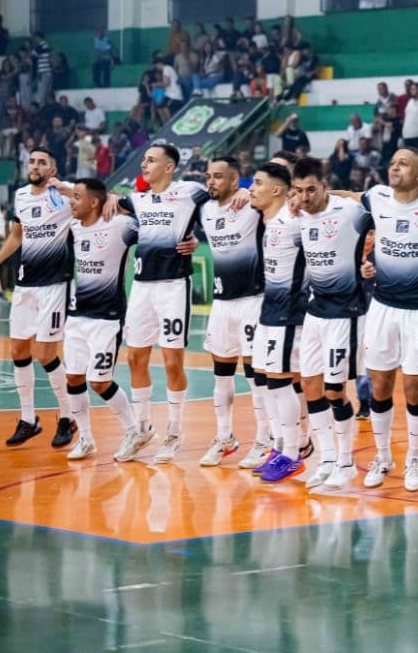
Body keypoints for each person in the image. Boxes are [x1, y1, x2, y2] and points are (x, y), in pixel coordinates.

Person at [105, 144, 213, 463]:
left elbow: (222, 198)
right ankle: (141, 428)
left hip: (173, 288)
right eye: (143, 159)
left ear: (169, 167)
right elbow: (104, 200)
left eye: (151, 159)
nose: (144, 163)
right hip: (141, 288)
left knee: (171, 362)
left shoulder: (189, 191)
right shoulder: (136, 198)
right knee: (136, 358)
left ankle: (175, 432)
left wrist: (197, 236)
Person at [354, 149, 418, 492]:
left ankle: (414, 456)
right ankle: (382, 457)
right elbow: (341, 197)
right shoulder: (377, 197)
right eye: (392, 162)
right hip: (381, 308)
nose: (394, 167)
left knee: (414, 390)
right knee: (379, 386)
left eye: (403, 163)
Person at [0, 148, 76, 447]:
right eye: (32, 161)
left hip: (55, 284)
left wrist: (67, 188)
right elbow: (17, 234)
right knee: (18, 350)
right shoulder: (22, 195)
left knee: (46, 353)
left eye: (42, 163)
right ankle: (28, 419)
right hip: (26, 285)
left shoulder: (66, 195)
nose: (35, 166)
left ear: (53, 168)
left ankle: (68, 416)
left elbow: (100, 202)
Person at [292, 157, 372, 490]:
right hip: (315, 312)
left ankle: (346, 461)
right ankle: (326, 459)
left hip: (346, 311)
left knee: (334, 390)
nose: (305, 197)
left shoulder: (348, 211)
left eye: (312, 189)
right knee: (309, 384)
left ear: (325, 186)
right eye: (299, 191)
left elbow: (379, 202)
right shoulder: (300, 217)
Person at [60, 179, 143, 461]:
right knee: (73, 377)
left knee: (99, 381)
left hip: (107, 318)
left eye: (77, 197)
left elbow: (157, 226)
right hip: (76, 317)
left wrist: (117, 199)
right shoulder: (72, 227)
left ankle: (135, 431)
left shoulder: (119, 226)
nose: (71, 202)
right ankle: (85, 438)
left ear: (94, 202)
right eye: (72, 196)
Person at [198, 157, 269, 468]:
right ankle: (225, 437)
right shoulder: (204, 209)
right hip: (222, 302)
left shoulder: (253, 206)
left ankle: (265, 441)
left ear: (234, 180)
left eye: (218, 177)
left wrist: (250, 190)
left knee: (256, 374)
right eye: (208, 176)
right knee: (222, 373)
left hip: (252, 299)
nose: (211, 182)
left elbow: (280, 190)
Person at [246, 163, 309, 483]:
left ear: (278, 190)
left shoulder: (295, 220)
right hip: (269, 310)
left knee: (279, 380)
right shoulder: (267, 220)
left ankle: (293, 454)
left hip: (290, 312)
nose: (251, 188)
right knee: (265, 380)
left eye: (257, 183)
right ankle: (281, 446)